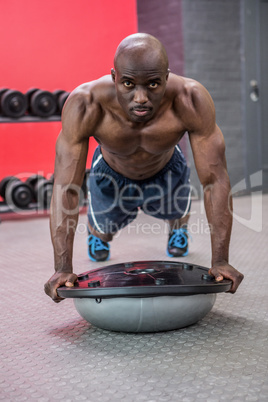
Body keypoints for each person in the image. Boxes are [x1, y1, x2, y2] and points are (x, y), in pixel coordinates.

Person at [44, 33, 244, 302]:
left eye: (153, 84)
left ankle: (177, 227)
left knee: (178, 211)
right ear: (114, 76)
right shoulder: (86, 104)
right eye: (128, 83)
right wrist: (62, 268)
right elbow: (65, 188)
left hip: (166, 169)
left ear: (166, 76)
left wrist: (221, 261)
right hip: (111, 173)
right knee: (102, 236)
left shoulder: (190, 99)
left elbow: (215, 180)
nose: (141, 98)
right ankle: (98, 234)